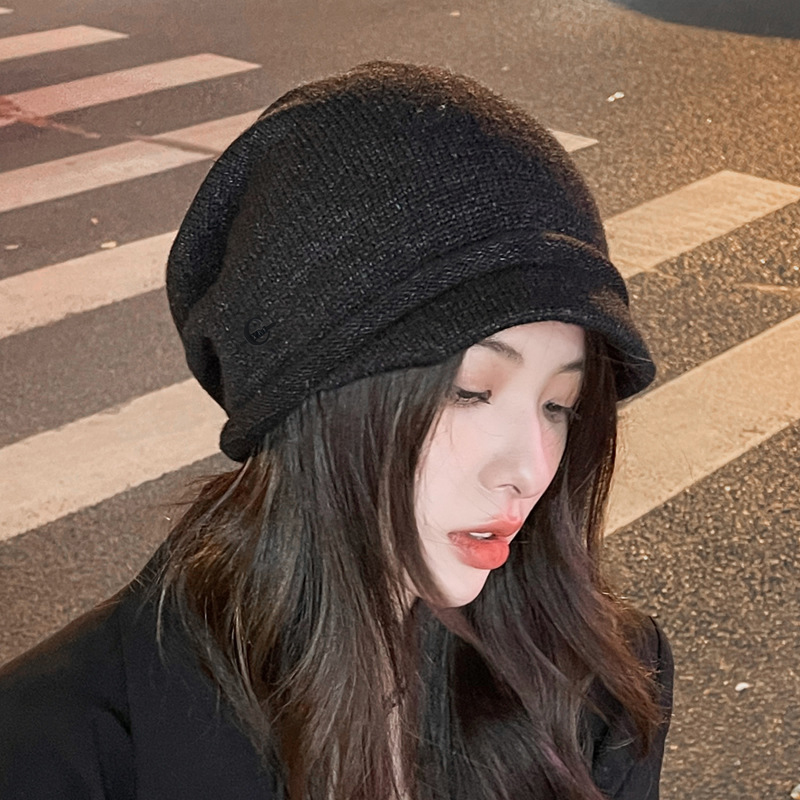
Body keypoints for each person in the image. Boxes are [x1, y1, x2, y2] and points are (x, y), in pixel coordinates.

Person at [0, 61, 673, 799]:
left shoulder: (595, 690)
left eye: (559, 406)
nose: (530, 468)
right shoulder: (53, 752)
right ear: (316, 397)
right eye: (471, 392)